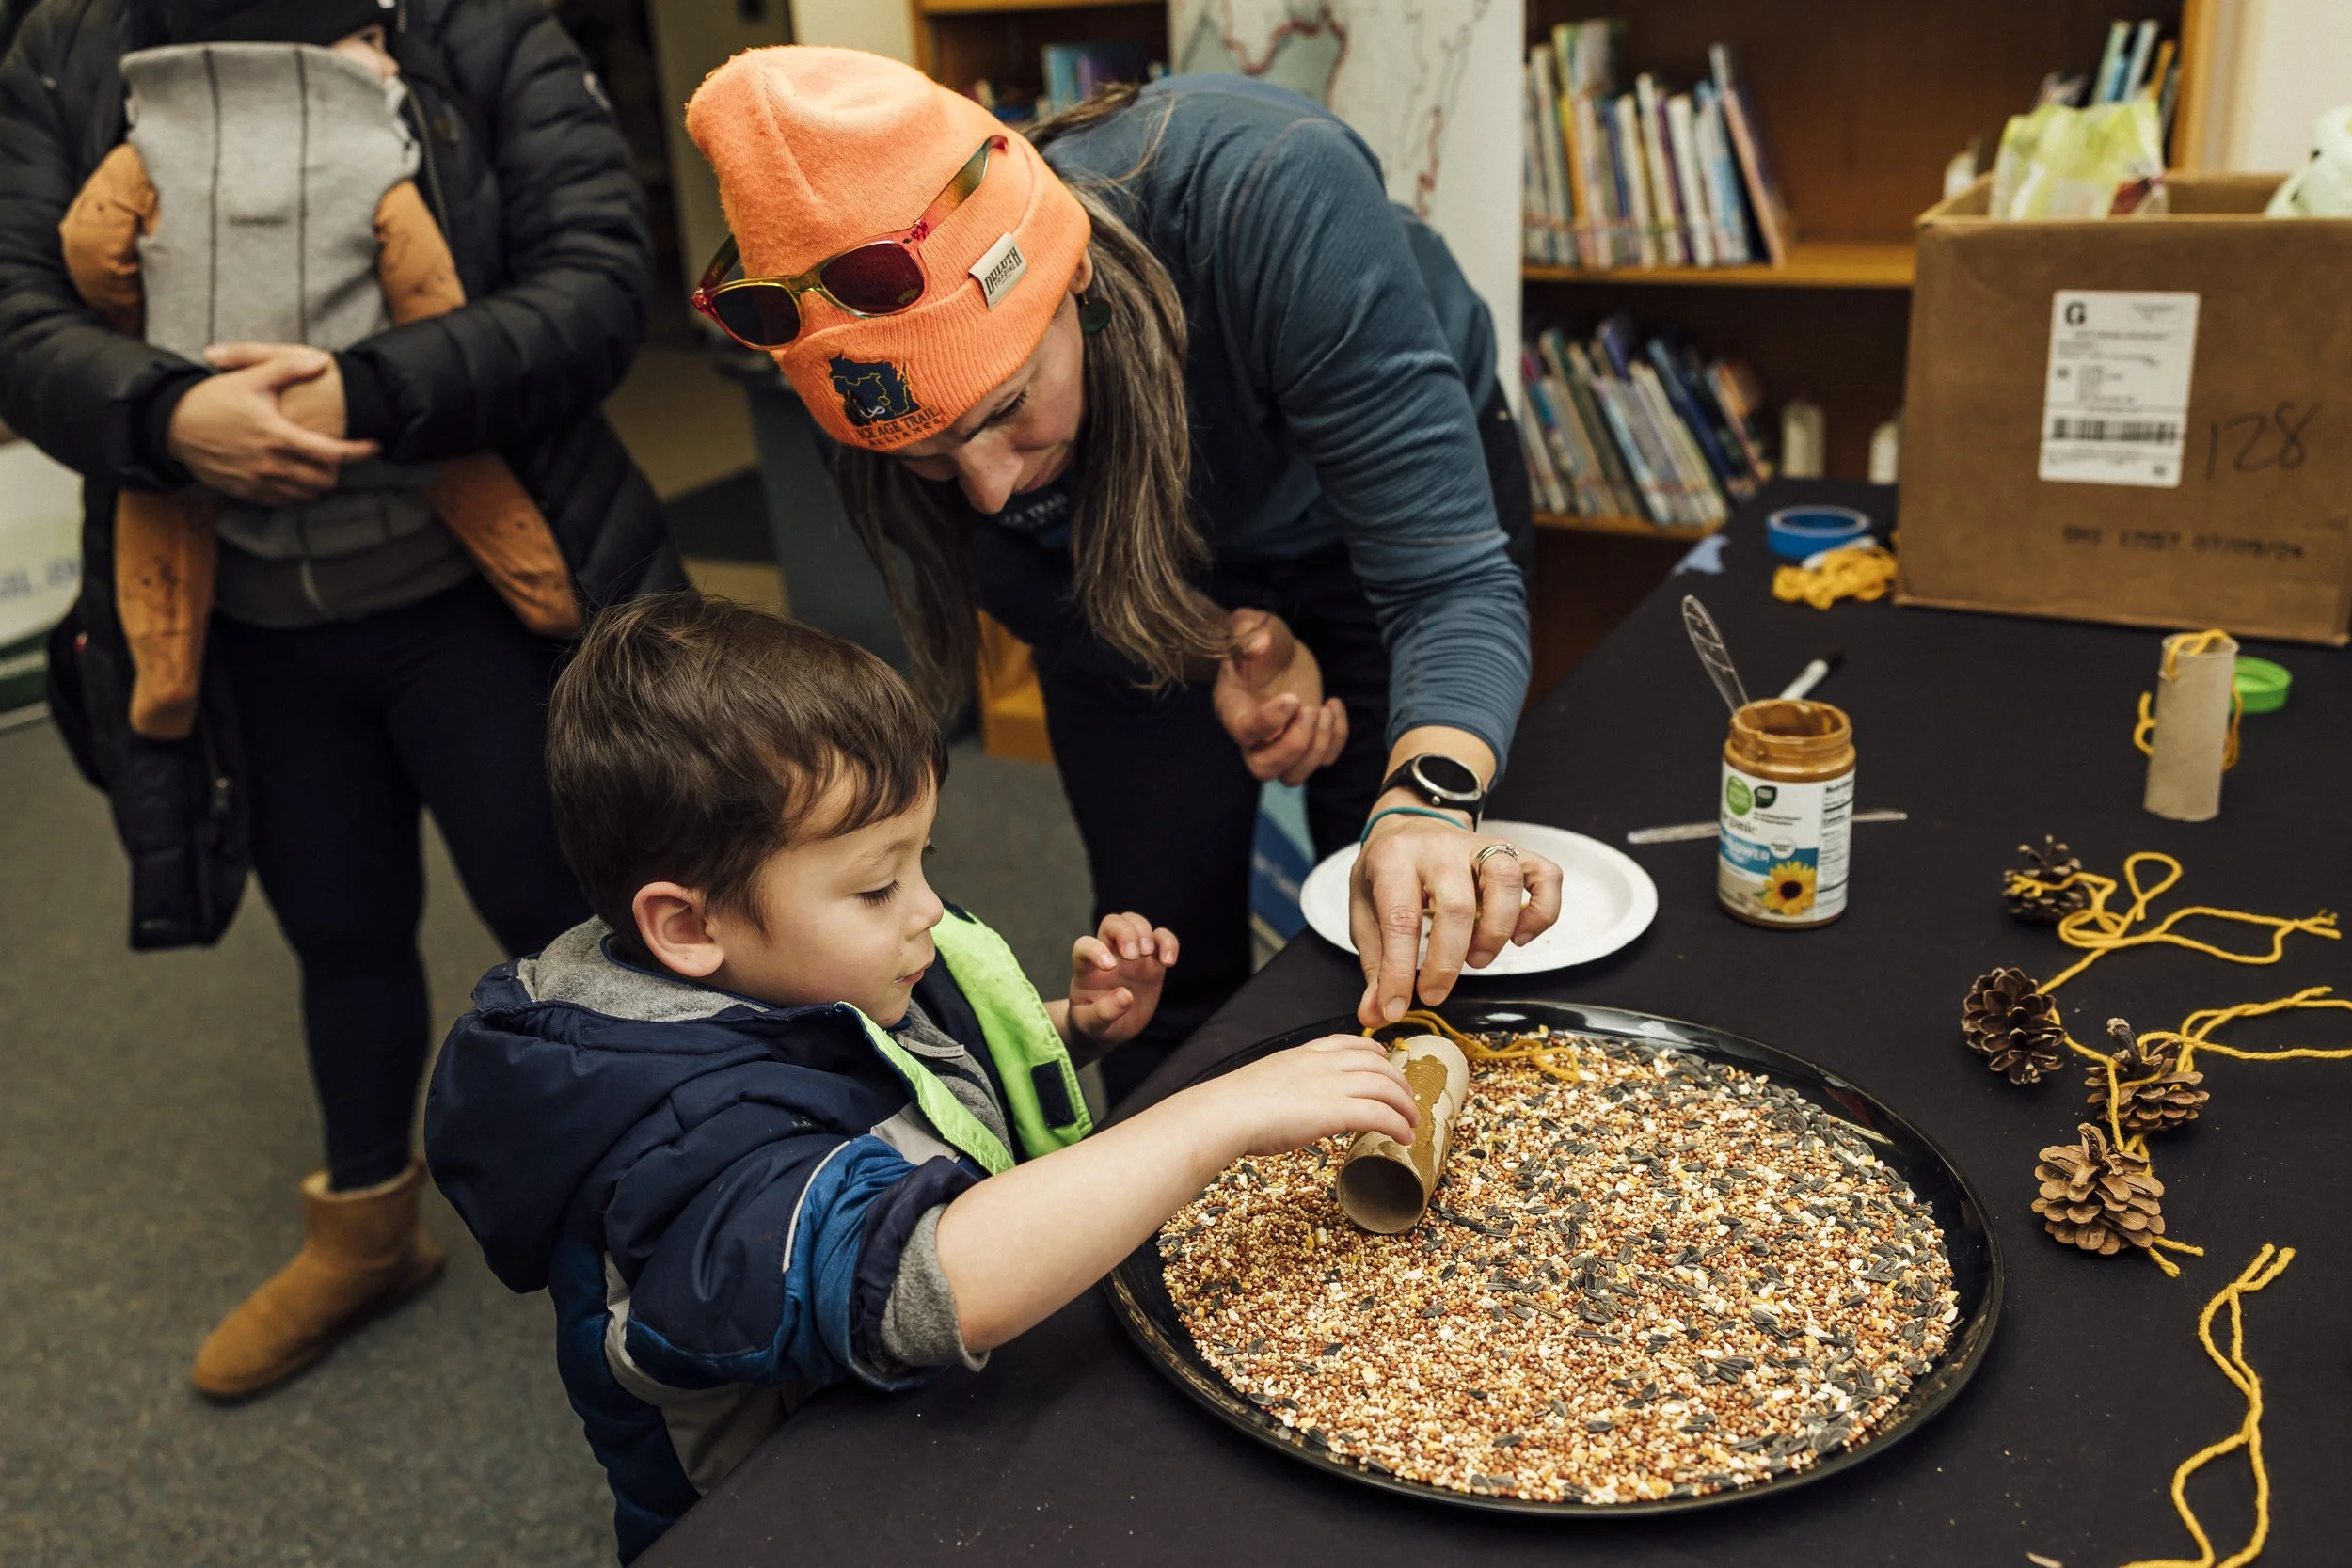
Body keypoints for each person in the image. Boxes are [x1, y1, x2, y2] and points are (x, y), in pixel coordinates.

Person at [423, 594, 1420, 1562]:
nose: (930, 911)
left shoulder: (801, 970)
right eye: (875, 884)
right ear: (688, 926)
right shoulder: (673, 1138)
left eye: (921, 858)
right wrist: (1213, 1116)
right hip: (794, 1515)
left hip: (924, 1430)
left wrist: (1072, 1029)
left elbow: (913, 1100)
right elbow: (912, 1279)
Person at [0, 0, 678, 1397]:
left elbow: (602, 281)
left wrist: (370, 392)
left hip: (482, 601)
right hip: (245, 624)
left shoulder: (477, 29)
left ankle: (694, 1214)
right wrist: (163, 415)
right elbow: (18, 310)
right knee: (341, 931)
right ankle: (370, 1228)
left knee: (585, 926)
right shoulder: (64, 48)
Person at [683, 51, 1567, 1096]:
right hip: (1127, 568)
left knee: (1391, 917)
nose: (989, 492)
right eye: (925, 457)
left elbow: (1446, 585)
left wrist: (1422, 801)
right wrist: (1208, 644)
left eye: (1007, 410)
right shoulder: (892, 396)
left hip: (1362, 524)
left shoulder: (1273, 189)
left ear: (1077, 276)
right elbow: (1026, 582)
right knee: (1164, 937)